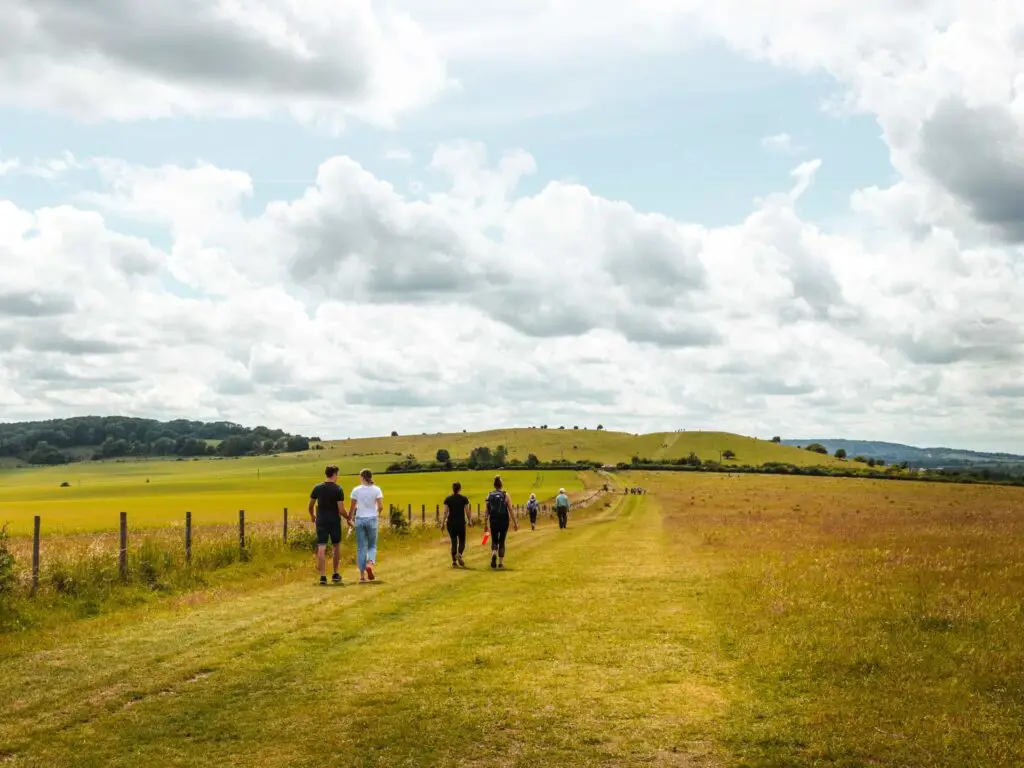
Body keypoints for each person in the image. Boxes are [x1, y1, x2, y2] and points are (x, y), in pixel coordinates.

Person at [308, 465, 349, 585]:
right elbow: (341, 509)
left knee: (321, 546)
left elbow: (310, 505)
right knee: (336, 546)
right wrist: (348, 518)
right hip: (334, 521)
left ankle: (322, 576)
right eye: (338, 474)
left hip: (321, 520)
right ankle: (335, 573)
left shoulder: (317, 488)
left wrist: (312, 515)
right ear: (334, 474)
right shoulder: (338, 489)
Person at [348, 468, 384, 582]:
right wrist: (377, 514)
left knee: (361, 548)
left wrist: (349, 518)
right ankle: (370, 564)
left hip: (360, 519)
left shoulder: (356, 490)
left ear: (362, 477)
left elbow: (352, 507)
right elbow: (381, 506)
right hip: (372, 518)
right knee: (372, 545)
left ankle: (362, 576)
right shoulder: (377, 489)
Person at [484, 475, 517, 569]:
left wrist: (485, 524)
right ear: (501, 485)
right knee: (502, 540)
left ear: (494, 485)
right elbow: (510, 509)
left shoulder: (490, 495)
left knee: (494, 539)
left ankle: (494, 553)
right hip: (503, 520)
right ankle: (500, 563)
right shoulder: (505, 494)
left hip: (493, 519)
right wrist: (515, 522)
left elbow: (487, 511)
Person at [441, 481, 472, 568]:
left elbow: (445, 512)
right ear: (460, 489)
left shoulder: (448, 499)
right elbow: (467, 511)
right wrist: (469, 520)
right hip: (460, 523)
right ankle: (459, 554)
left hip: (450, 523)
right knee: (462, 541)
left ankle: (454, 562)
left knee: (453, 541)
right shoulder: (463, 499)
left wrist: (442, 523)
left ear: (452, 488)